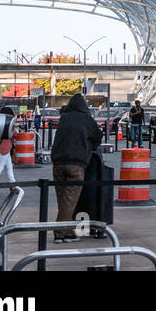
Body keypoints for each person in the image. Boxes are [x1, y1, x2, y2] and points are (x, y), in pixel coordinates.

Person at [50, 92, 102, 242]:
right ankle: (59, 232)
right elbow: (97, 136)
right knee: (70, 200)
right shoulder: (86, 118)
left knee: (63, 200)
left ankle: (68, 231)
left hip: (58, 163)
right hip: (76, 164)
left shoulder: (64, 117)